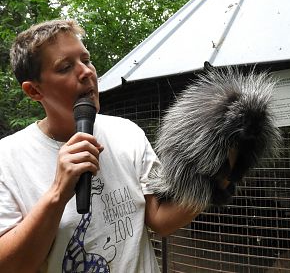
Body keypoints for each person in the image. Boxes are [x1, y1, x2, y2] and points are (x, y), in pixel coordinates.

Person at [0, 19, 234, 272]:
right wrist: (57, 194)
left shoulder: (126, 132)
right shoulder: (8, 158)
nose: (86, 72)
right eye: (66, 67)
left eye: (86, 60)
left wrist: (223, 172)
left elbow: (161, 220)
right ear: (34, 91)